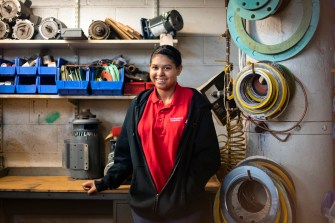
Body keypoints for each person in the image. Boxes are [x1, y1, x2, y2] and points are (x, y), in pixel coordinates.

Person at [82, 45, 221, 223]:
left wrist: (187, 189)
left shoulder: (194, 103)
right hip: (145, 208)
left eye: (167, 67)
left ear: (179, 69)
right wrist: (104, 182)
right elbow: (124, 155)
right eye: (155, 67)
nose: (160, 73)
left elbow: (209, 156)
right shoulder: (139, 105)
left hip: (185, 207)